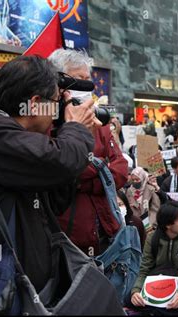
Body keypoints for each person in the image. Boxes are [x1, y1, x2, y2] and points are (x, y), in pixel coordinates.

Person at [0, 56, 96, 296]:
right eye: (56, 102)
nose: (58, 111)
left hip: (17, 287)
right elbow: (63, 161)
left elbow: (56, 199)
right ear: (35, 103)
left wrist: (61, 130)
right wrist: (75, 128)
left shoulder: (16, 137)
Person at [49, 49, 129, 256]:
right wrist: (101, 171)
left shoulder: (99, 120)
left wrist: (87, 179)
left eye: (88, 79)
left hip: (106, 227)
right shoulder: (48, 122)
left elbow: (120, 170)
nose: (85, 85)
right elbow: (63, 166)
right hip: (69, 234)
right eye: (78, 79)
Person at [129, 202, 178, 316]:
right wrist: (136, 291)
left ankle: (154, 311)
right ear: (168, 224)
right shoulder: (152, 237)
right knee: (130, 299)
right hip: (157, 285)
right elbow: (144, 268)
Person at [125, 167, 162, 232]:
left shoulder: (151, 189)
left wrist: (149, 224)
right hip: (134, 225)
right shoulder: (129, 191)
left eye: (137, 179)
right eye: (133, 180)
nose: (135, 182)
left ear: (143, 178)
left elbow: (155, 209)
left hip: (149, 225)